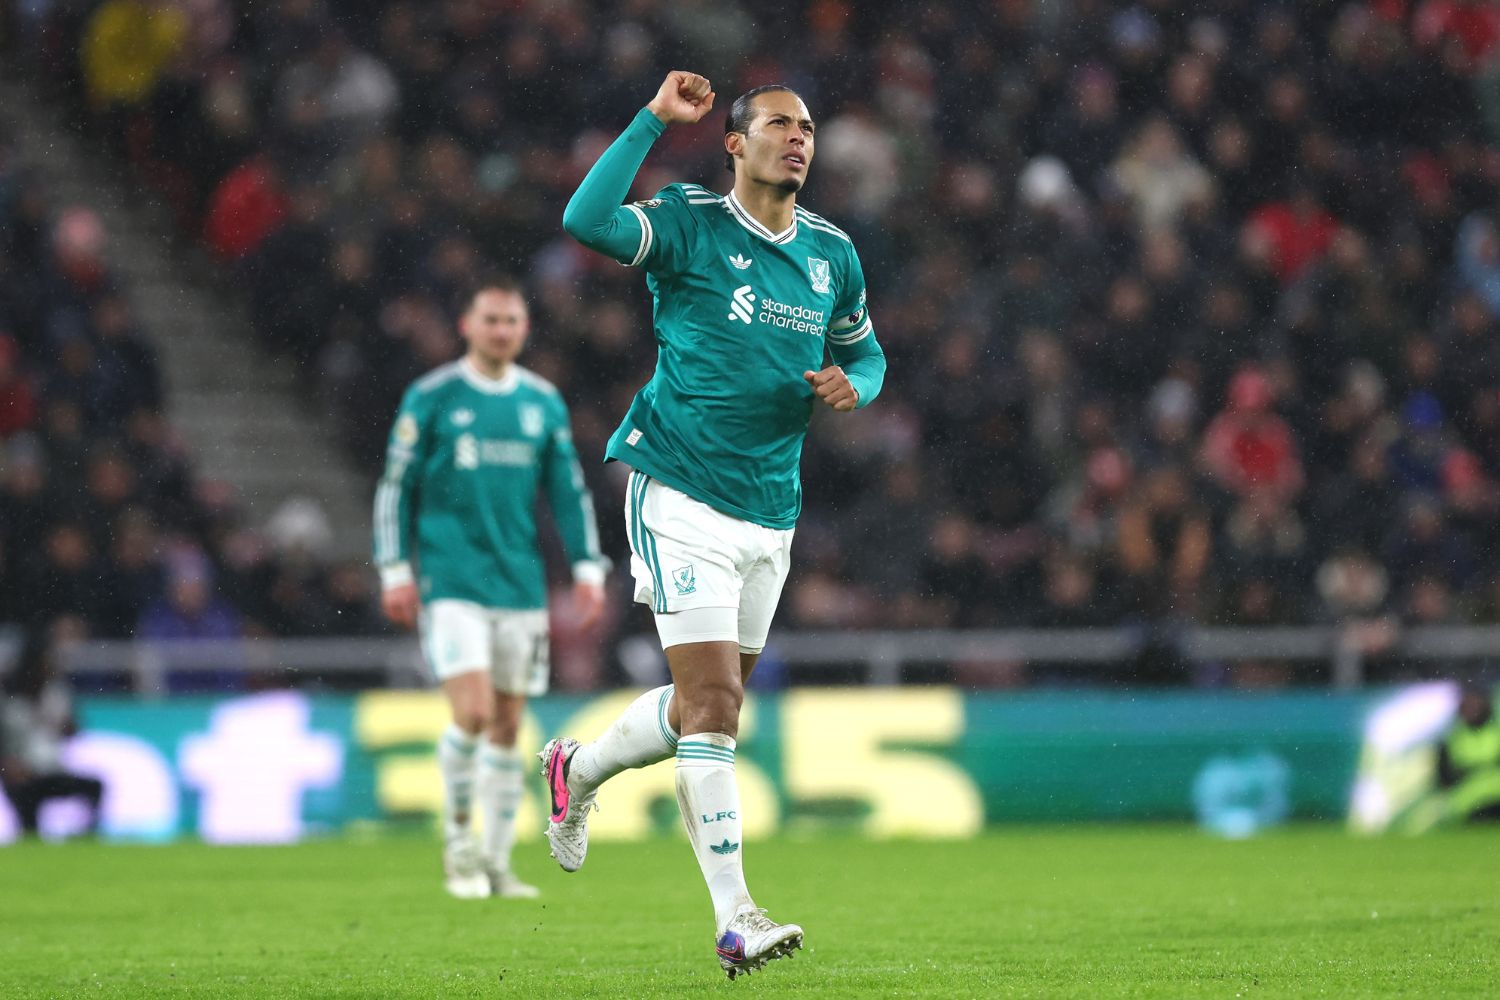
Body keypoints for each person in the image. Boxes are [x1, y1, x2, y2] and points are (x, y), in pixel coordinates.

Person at [547, 71, 886, 978]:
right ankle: (736, 917)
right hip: (679, 488)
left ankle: (576, 770)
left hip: (770, 509)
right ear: (736, 143)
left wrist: (861, 386)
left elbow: (866, 349)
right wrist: (651, 120)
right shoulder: (690, 222)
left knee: (709, 709)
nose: (800, 137)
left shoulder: (831, 254)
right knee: (714, 712)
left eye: (809, 126)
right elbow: (586, 221)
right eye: (779, 123)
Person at [373, 277, 606, 899]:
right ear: (466, 327)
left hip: (520, 584)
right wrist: (394, 569)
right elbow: (396, 486)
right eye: (491, 320)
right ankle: (458, 846)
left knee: (507, 726)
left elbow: (568, 491)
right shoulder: (434, 396)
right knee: (472, 713)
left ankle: (497, 863)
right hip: (451, 581)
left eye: (511, 321)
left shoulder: (542, 403)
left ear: (524, 330)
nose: (501, 330)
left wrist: (587, 566)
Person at [0, 632, 105, 838]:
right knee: (29, 818)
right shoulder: (8, 700)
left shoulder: (56, 692)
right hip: (22, 775)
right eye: (46, 661)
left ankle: (84, 837)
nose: (51, 667)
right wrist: (8, 766)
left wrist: (65, 725)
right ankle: (30, 837)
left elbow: (74, 731)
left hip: (51, 770)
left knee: (95, 787)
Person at [1436, 688, 1500, 822]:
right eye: (1468, 705)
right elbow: (1444, 777)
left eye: (1476, 704)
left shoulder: (1496, 732)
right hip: (1469, 803)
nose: (1472, 710)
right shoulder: (1452, 739)